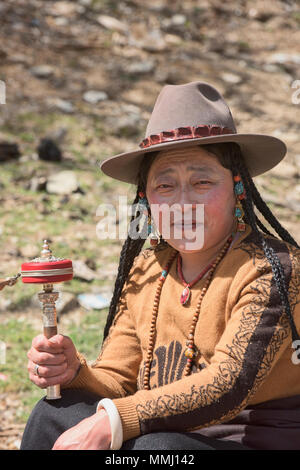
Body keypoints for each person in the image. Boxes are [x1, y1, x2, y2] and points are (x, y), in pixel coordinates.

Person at [20, 80, 300, 451]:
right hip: (161, 433)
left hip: (249, 442)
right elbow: (119, 378)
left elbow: (228, 384)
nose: (183, 203)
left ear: (238, 188)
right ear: (146, 200)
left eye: (202, 181)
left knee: (158, 450)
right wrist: (75, 371)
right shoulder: (149, 268)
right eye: (165, 187)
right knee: (53, 414)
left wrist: (116, 420)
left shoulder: (273, 270)